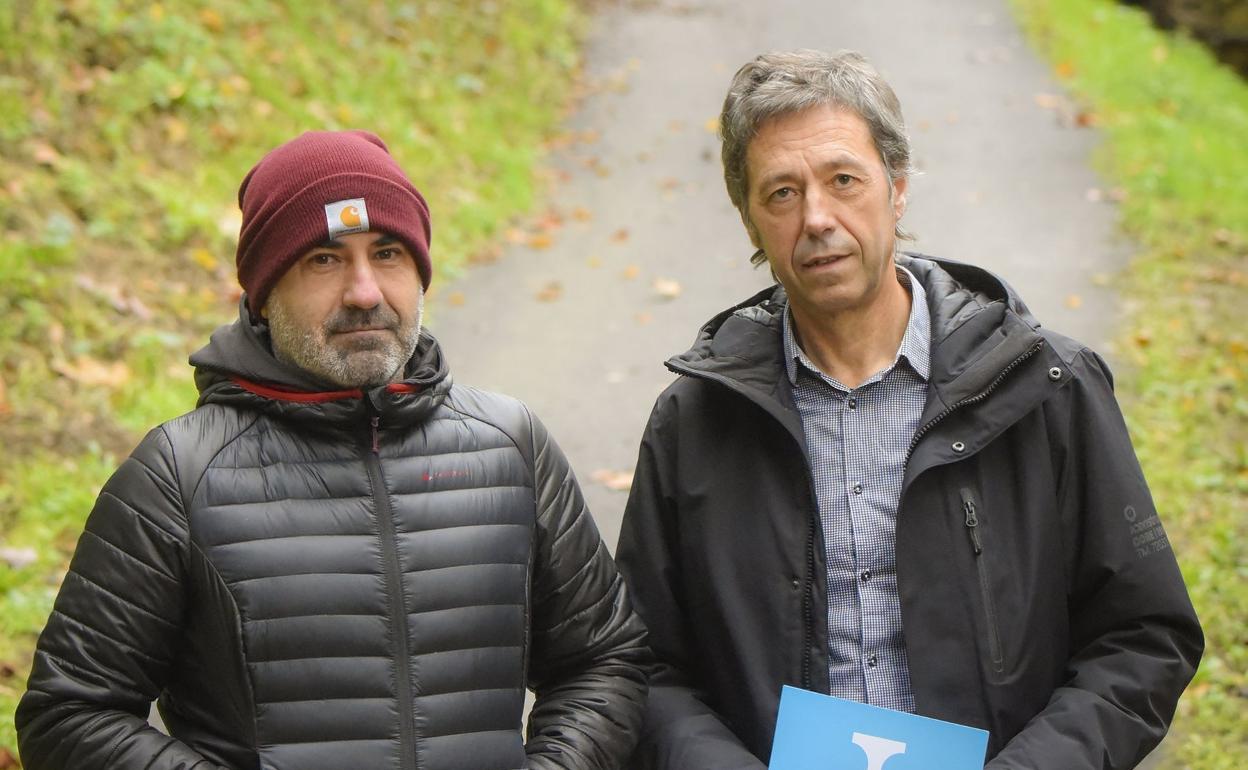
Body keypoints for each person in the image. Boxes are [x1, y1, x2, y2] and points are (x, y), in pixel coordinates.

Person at [615, 50, 1202, 769]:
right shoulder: (696, 421)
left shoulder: (1048, 389)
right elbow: (641, 663)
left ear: (896, 189)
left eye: (843, 181)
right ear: (750, 221)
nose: (817, 219)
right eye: (781, 194)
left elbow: (1143, 637)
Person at [16, 130, 648, 770]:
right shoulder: (178, 476)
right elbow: (70, 715)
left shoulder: (511, 448)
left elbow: (603, 660)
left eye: (389, 252)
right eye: (324, 258)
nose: (365, 291)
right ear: (265, 293)